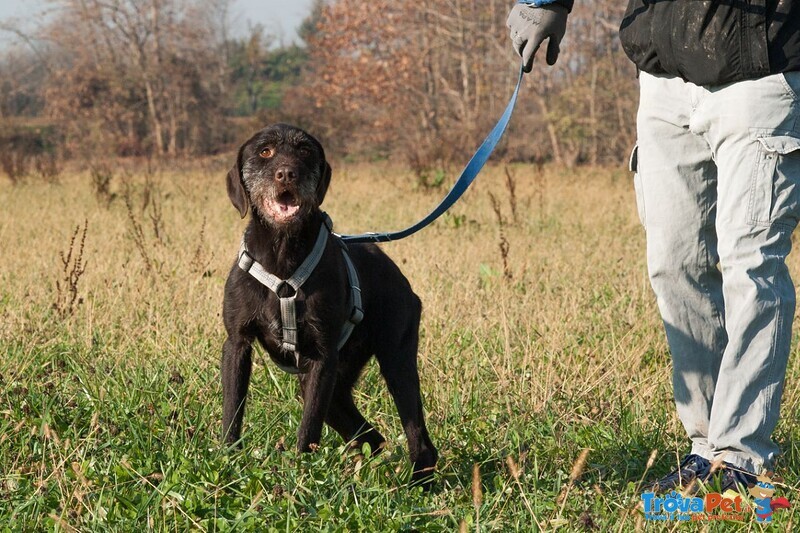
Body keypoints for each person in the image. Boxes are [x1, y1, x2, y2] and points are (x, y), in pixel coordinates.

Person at [507, 0, 800, 493]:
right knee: (674, 264)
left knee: (750, 266)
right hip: (664, 73)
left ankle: (742, 457)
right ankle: (706, 449)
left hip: (762, 64)